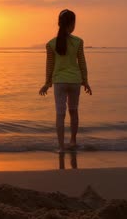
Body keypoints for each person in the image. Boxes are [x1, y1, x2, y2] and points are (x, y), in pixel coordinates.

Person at [39, 9, 92, 153]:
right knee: (73, 111)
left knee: (60, 114)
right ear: (72, 24)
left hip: (60, 82)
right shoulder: (78, 42)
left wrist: (47, 83)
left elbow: (49, 65)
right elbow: (82, 63)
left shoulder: (51, 44)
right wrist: (85, 81)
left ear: (59, 23)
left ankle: (61, 147)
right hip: (75, 81)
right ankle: (73, 141)